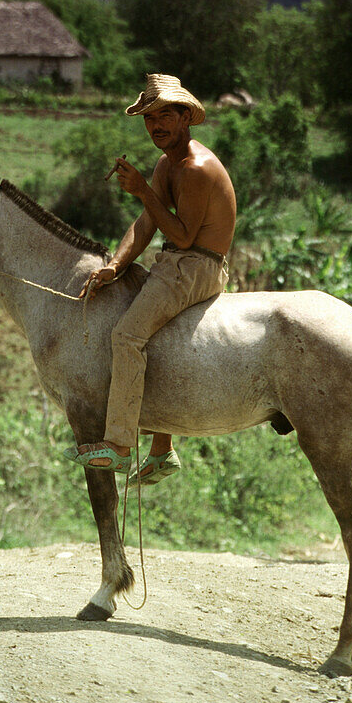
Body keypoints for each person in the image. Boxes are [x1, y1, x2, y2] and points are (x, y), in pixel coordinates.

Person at [65, 73, 236, 483]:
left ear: (184, 118)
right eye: (148, 118)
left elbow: (181, 235)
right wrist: (116, 265)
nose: (156, 125)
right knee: (146, 327)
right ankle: (161, 449)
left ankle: (120, 447)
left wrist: (143, 190)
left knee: (126, 336)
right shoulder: (167, 163)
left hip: (195, 266)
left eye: (164, 116)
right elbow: (146, 225)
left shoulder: (195, 168)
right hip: (177, 262)